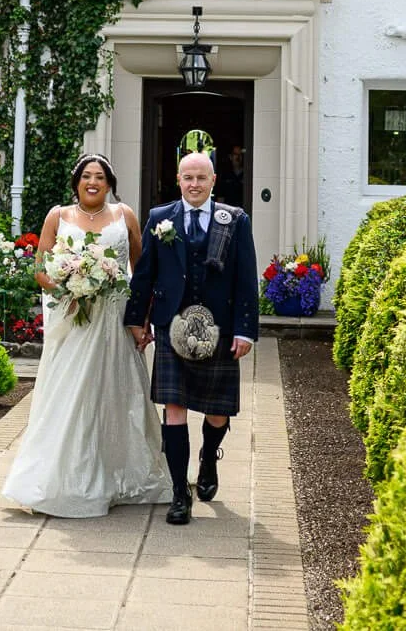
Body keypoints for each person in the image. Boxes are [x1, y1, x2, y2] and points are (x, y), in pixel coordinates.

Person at [0, 154, 173, 517]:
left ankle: (118, 474)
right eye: (86, 176)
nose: (92, 182)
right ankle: (63, 477)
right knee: (72, 391)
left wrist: (143, 317)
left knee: (114, 390)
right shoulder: (58, 216)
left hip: (114, 319)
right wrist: (68, 286)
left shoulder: (125, 215)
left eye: (100, 177)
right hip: (75, 319)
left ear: (109, 183)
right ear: (76, 181)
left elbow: (140, 271)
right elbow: (40, 269)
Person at [125, 134, 260, 525]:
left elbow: (245, 278)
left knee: (218, 411)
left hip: (218, 328)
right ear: (178, 179)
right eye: (188, 177)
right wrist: (138, 320)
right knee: (174, 408)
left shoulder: (234, 220)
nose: (194, 184)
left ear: (213, 180)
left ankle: (207, 462)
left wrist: (245, 331)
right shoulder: (159, 217)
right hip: (172, 325)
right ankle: (179, 493)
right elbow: (145, 274)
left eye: (201, 177)